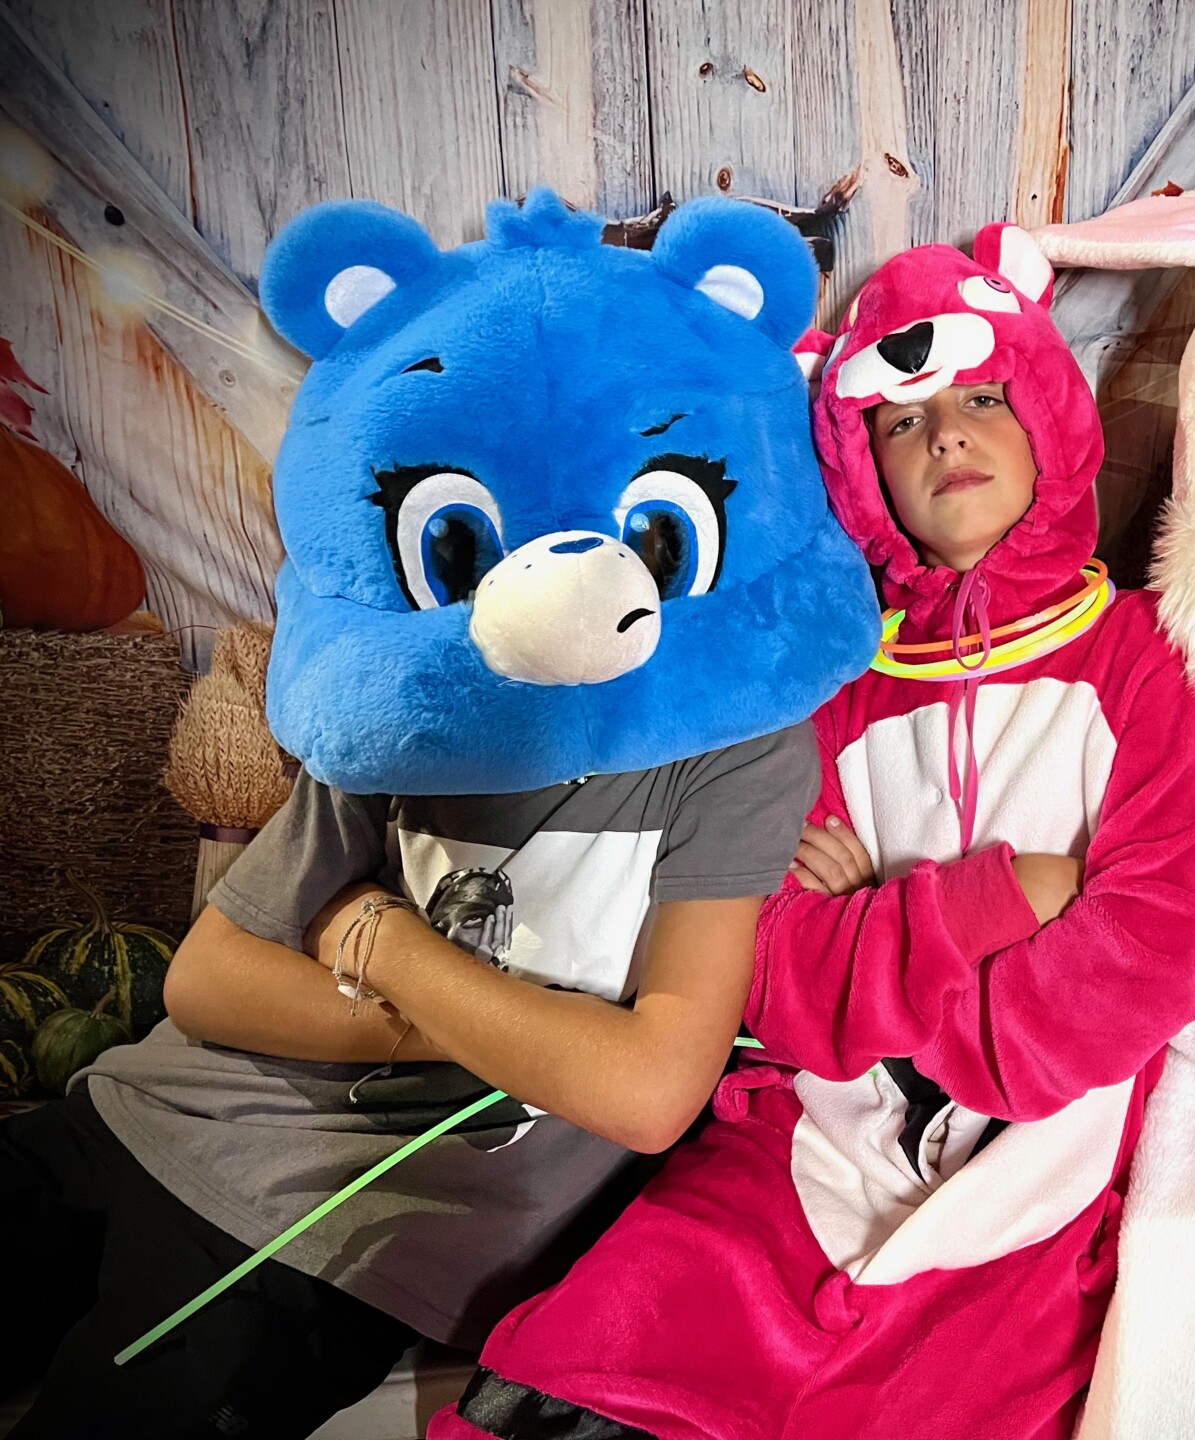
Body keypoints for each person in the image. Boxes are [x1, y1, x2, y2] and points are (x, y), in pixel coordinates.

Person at [0, 188, 877, 1440]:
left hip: (337, 1227)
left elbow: (645, 1091)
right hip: (137, 1110)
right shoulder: (402, 714)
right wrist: (514, 1030)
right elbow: (207, 984)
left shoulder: (737, 755)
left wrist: (380, 945)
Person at [431, 223, 1195, 1440]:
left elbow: (1149, 957)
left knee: (943, 1388)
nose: (947, 435)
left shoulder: (1141, 659)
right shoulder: (836, 695)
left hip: (1050, 1147)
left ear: (1049, 421)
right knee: (628, 1336)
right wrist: (993, 902)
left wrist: (882, 955)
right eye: (903, 421)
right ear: (861, 469)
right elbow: (775, 977)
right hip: (817, 1129)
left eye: (980, 398)